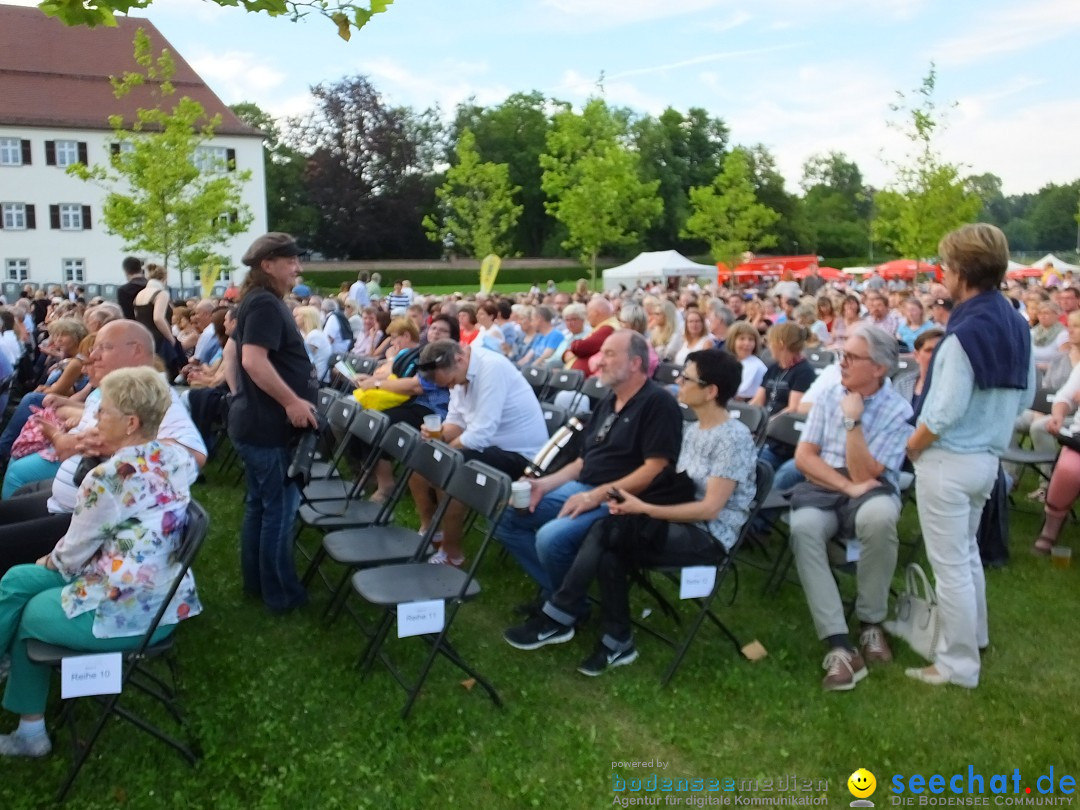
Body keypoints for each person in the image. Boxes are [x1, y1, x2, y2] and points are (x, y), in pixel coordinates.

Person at [502, 350, 757, 674]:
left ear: (711, 391)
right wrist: (627, 499)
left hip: (708, 535)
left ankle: (560, 614)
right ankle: (616, 641)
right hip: (673, 516)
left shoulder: (733, 438)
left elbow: (710, 509)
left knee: (610, 534)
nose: (678, 382)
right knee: (612, 544)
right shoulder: (693, 430)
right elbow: (672, 485)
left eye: (687, 378)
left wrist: (643, 507)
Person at [0, 367, 201, 758]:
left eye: (102, 412)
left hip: (127, 609)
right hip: (160, 596)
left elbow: (70, 555)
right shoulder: (174, 457)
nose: (94, 418)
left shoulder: (109, 476)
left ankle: (30, 731)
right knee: (17, 581)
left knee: (25, 601)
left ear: (131, 422)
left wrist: (47, 562)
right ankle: (28, 725)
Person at [906, 223, 1034, 689]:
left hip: (950, 459)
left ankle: (956, 664)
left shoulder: (963, 332)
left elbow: (943, 410)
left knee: (952, 567)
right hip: (987, 461)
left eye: (945, 267)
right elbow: (1025, 398)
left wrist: (913, 446)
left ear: (959, 270)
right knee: (967, 556)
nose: (942, 275)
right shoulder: (1017, 323)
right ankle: (973, 638)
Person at [0, 320, 207, 575]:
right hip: (69, 503)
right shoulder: (120, 389)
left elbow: (193, 456)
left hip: (89, 521)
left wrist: (117, 450)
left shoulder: (153, 395)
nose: (93, 356)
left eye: (104, 348)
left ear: (136, 351)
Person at [496, 331, 683, 603]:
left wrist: (595, 496)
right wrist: (543, 484)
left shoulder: (658, 403)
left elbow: (655, 468)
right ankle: (562, 595)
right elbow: (583, 461)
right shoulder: (609, 401)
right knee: (505, 517)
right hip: (583, 486)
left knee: (550, 539)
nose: (598, 362)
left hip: (624, 501)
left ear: (634, 363)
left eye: (609, 354)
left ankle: (564, 606)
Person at [789, 325, 914, 691]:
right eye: (841, 355)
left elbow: (865, 473)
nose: (841, 363)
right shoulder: (828, 392)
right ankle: (839, 644)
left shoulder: (897, 410)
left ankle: (871, 621)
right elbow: (803, 457)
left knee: (879, 517)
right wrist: (843, 484)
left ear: (878, 368)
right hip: (825, 482)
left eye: (851, 357)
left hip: (870, 485)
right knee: (804, 528)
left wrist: (853, 421)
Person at [229, 233, 319, 614]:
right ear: (268, 265)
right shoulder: (265, 303)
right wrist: (291, 401)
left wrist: (239, 396)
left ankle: (257, 585)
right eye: (291, 261)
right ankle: (282, 595)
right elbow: (251, 359)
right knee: (278, 513)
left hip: (255, 422)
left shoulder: (256, 300)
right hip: (268, 429)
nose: (298, 268)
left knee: (260, 508)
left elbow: (235, 352)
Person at [412, 339, 547, 567]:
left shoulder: (491, 368)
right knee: (421, 457)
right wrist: (437, 435)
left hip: (521, 457)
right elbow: (456, 420)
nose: (452, 388)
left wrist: (445, 451)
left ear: (460, 359)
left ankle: (452, 553)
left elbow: (481, 433)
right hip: (491, 446)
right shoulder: (460, 374)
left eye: (452, 382)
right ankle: (432, 530)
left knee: (450, 468)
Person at [751, 323, 816, 471]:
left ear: (780, 343)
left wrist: (765, 424)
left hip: (780, 441)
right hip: (762, 434)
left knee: (751, 460)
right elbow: (757, 401)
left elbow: (794, 408)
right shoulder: (774, 368)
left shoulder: (804, 372)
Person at [132, 263, 177, 369]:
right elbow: (158, 318)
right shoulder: (161, 293)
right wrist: (171, 338)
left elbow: (137, 316)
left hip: (142, 336)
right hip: (158, 338)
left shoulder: (140, 294)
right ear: (164, 278)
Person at [892, 328, 944, 409]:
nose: (934, 354)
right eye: (929, 350)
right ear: (916, 355)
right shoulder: (902, 383)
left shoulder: (952, 387)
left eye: (940, 349)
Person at [725, 321, 767, 401]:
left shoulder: (756, 365)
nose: (747, 343)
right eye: (742, 339)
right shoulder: (728, 362)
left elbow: (739, 392)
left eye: (751, 340)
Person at [293, 305, 332, 383]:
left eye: (296, 316)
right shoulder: (309, 334)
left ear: (306, 318)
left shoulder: (314, 335)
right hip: (313, 375)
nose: (293, 318)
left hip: (316, 378)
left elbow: (303, 356)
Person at [1029, 301, 1068, 369]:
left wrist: (1043, 367)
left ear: (1057, 315)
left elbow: (1064, 362)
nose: (1042, 316)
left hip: (1053, 373)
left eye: (1046, 313)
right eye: (1040, 313)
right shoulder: (1032, 332)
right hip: (1033, 370)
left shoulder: (1063, 334)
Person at [116, 256, 147, 321]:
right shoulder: (151, 286)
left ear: (126, 271)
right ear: (140, 269)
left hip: (136, 327)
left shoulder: (123, 290)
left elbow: (127, 316)